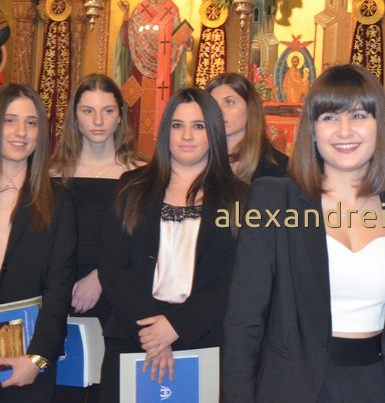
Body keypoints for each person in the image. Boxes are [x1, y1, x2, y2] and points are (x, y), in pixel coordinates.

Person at [222, 64, 385, 402]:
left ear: (380, 127)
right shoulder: (275, 200)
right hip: (290, 389)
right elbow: (243, 322)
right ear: (313, 131)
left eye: (358, 116)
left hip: (373, 385)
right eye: (330, 117)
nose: (344, 131)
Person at [98, 88, 247, 403]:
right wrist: (154, 332)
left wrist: (177, 326)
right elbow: (113, 266)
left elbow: (235, 278)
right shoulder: (131, 187)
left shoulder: (240, 198)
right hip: (133, 336)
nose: (186, 136)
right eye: (178, 125)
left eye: (198, 126)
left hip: (205, 340)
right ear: (166, 131)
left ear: (213, 132)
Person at [50, 74, 143, 403]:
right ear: (75, 116)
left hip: (118, 295)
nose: (98, 121)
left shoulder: (141, 174)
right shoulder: (51, 173)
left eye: (107, 110)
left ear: (120, 115)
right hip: (61, 292)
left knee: (109, 388)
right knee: (63, 389)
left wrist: (102, 276)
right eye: (88, 111)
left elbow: (147, 245)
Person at [0, 84, 77, 401]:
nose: (21, 132)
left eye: (31, 123)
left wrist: (38, 357)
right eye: (10, 120)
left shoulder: (58, 200)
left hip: (25, 361)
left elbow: (60, 287)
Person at [113, 0, 193, 156]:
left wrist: (186, 39)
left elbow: (178, 41)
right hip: (140, 71)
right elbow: (128, 38)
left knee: (166, 109)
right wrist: (126, 15)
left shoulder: (172, 9)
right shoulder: (141, 8)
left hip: (165, 71)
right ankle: (134, 153)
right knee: (135, 107)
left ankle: (163, 154)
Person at [205, 72, 288, 181]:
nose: (219, 111)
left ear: (250, 108)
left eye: (230, 102)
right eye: (213, 104)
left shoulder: (278, 169)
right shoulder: (198, 161)